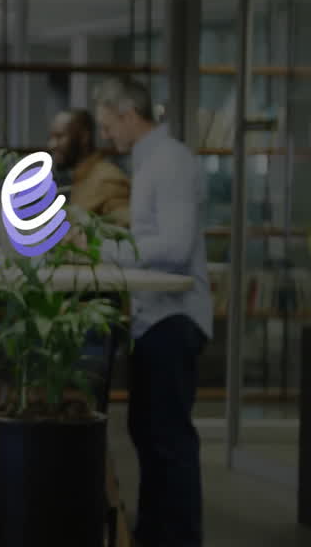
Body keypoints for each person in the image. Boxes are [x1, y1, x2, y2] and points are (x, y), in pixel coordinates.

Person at [90, 76, 212, 547]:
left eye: (108, 125)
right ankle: (158, 532)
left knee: (167, 438)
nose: (106, 137)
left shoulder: (170, 162)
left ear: (128, 114)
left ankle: (177, 537)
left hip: (173, 317)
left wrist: (106, 248)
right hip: (152, 316)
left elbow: (176, 247)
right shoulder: (151, 161)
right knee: (148, 431)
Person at [47, 109, 131, 225]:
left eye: (60, 136)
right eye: (51, 137)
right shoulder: (78, 177)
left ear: (83, 137)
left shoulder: (109, 179)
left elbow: (126, 231)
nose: (52, 144)